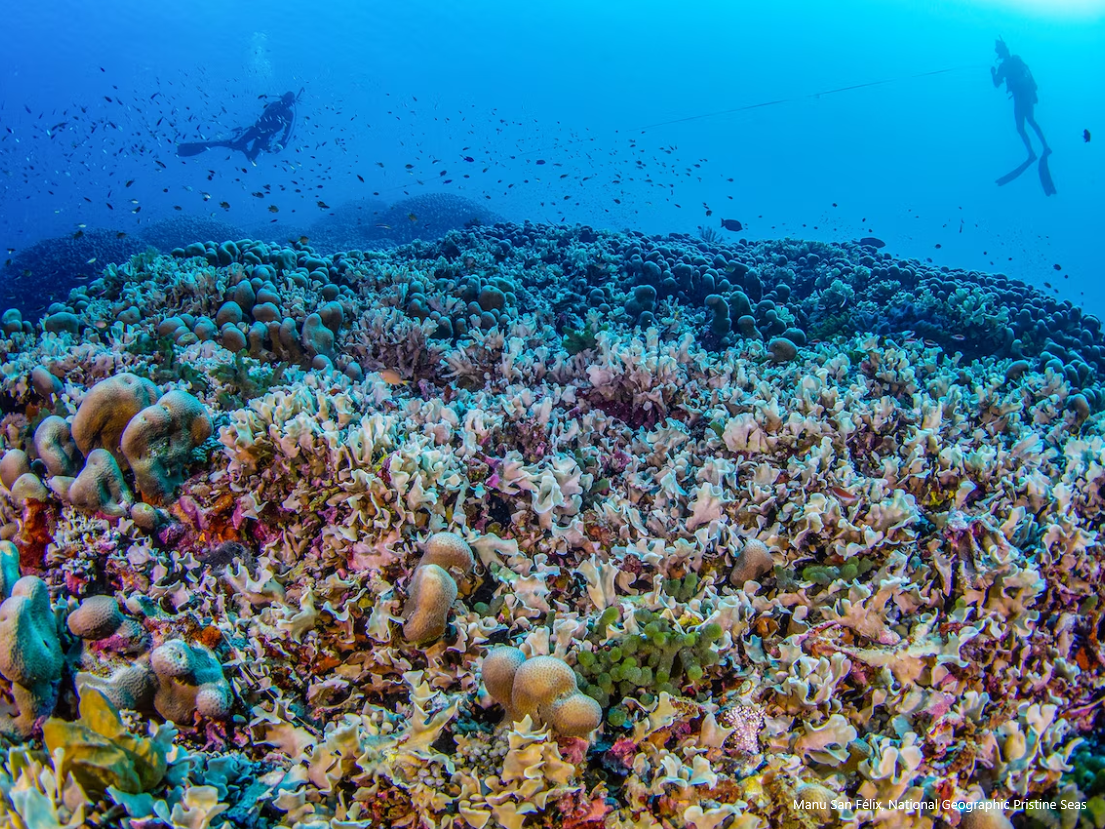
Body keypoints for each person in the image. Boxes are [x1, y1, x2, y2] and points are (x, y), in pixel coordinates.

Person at [177, 91, 298, 162]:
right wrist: (277, 140)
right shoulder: (275, 105)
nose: (287, 104)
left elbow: (287, 131)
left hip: (265, 136)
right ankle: (219, 143)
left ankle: (240, 147)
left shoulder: (289, 114)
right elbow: (263, 120)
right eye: (287, 101)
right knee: (237, 146)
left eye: (289, 102)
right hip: (256, 130)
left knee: (251, 158)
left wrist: (282, 142)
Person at [991, 39, 1048, 162]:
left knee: (1023, 125)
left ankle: (1035, 152)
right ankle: (1041, 148)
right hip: (1025, 95)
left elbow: (997, 83)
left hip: (1022, 96)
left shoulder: (1005, 65)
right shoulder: (1013, 60)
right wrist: (1034, 92)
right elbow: (1028, 73)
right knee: (1028, 122)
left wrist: (993, 73)